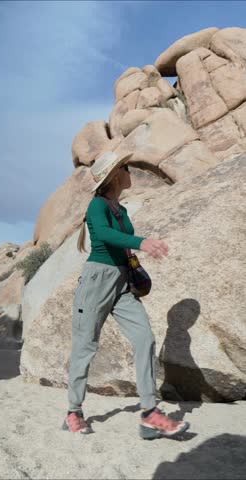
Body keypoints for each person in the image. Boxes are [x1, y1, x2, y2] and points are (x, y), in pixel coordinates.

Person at [62, 151, 190, 439]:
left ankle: (149, 413)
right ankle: (73, 411)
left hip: (121, 282)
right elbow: (105, 235)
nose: (131, 172)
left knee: (145, 338)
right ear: (115, 175)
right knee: (86, 346)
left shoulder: (123, 210)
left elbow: (119, 239)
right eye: (127, 168)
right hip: (97, 281)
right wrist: (142, 241)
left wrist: (136, 255)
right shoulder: (97, 205)